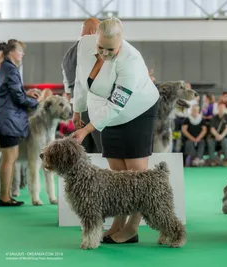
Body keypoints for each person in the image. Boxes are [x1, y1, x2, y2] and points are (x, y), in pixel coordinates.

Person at [70, 17, 160, 244]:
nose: (105, 52)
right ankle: (118, 224)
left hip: (137, 109)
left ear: (121, 42)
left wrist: (87, 130)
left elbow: (117, 105)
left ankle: (132, 228)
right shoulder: (84, 46)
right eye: (101, 47)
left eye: (111, 49)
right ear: (95, 38)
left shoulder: (130, 61)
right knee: (117, 172)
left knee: (137, 175)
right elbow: (81, 82)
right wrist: (78, 111)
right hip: (104, 112)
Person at [0, 40, 40, 206]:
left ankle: (6, 196)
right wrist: (36, 103)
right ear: (11, 52)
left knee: (10, 158)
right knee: (9, 158)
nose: (23, 54)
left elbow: (11, 93)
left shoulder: (2, 68)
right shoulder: (10, 70)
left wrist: (27, 93)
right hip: (8, 121)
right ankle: (4, 198)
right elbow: (17, 98)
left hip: (4, 118)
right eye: (20, 51)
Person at [62, 17, 102, 153]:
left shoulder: (67, 55)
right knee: (102, 150)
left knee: (85, 152)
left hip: (78, 109)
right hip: (95, 104)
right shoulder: (91, 46)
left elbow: (67, 88)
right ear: (92, 31)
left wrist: (76, 110)